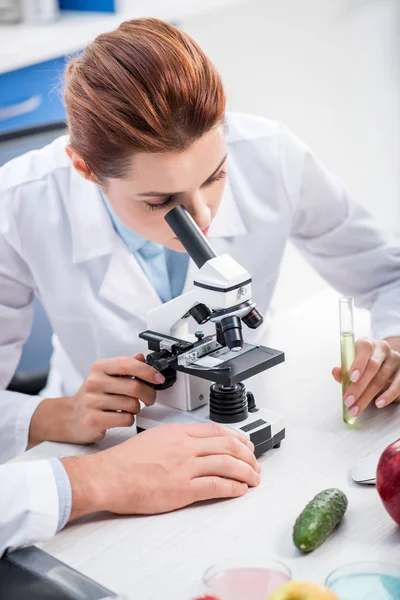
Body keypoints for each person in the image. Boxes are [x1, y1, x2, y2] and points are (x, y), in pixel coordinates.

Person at [1, 17, 400, 556]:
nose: (204, 216)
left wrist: (395, 345)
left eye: (214, 176)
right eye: (161, 203)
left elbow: (387, 272)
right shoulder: (22, 200)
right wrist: (61, 415)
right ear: (85, 168)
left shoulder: (270, 153)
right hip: (98, 442)